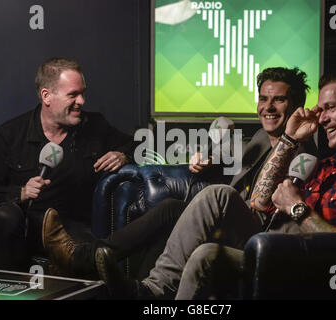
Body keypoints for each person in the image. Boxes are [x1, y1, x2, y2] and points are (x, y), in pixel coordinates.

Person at [95, 72, 336, 299]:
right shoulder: (327, 165)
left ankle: (146, 290)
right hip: (271, 240)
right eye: (320, 110)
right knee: (212, 224)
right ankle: (150, 292)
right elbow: (257, 203)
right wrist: (289, 139)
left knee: (210, 233)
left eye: (331, 108)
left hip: (301, 261)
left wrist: (298, 208)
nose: (321, 119)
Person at [42, 67, 320, 280]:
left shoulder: (302, 152)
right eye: (263, 98)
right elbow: (238, 165)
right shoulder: (260, 137)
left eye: (279, 100)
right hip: (232, 218)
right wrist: (210, 161)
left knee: (172, 212)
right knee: (170, 212)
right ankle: (128, 284)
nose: (268, 107)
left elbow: (262, 201)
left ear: (296, 106)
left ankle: (84, 259)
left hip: (258, 234)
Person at [0, 58, 134, 273]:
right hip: (24, 227)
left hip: (73, 229)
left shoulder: (95, 126)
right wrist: (21, 192)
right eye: (73, 95)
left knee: (85, 249)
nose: (82, 101)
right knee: (4, 216)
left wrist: (122, 155)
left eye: (83, 93)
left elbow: (141, 144)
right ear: (46, 96)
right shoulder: (9, 135)